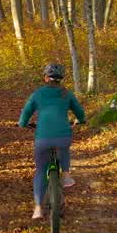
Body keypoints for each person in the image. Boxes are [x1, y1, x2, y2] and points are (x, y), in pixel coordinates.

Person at [18, 63, 86, 220]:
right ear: (61, 79)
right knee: (64, 147)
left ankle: (38, 209)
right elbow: (80, 112)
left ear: (45, 78)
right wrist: (80, 120)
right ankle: (66, 174)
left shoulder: (37, 94)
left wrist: (22, 124)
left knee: (41, 171)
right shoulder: (66, 94)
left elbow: (26, 113)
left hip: (43, 138)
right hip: (63, 136)